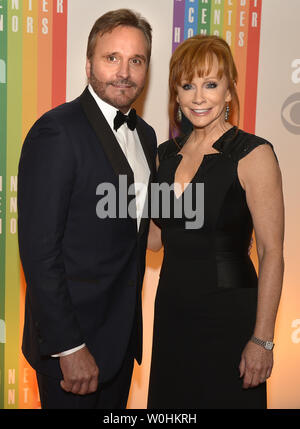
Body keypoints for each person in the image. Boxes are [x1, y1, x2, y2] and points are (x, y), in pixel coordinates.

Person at [18, 9, 157, 409]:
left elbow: (144, 230)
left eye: (136, 60)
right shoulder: (57, 131)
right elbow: (39, 253)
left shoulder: (146, 137)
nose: (124, 72)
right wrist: (69, 347)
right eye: (112, 58)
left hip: (121, 343)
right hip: (73, 350)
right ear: (89, 63)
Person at [147, 35, 284, 409]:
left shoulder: (253, 155)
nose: (198, 97)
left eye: (210, 84)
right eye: (188, 85)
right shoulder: (164, 157)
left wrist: (262, 339)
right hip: (173, 314)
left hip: (231, 317)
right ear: (176, 93)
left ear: (228, 92)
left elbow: (272, 252)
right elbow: (155, 239)